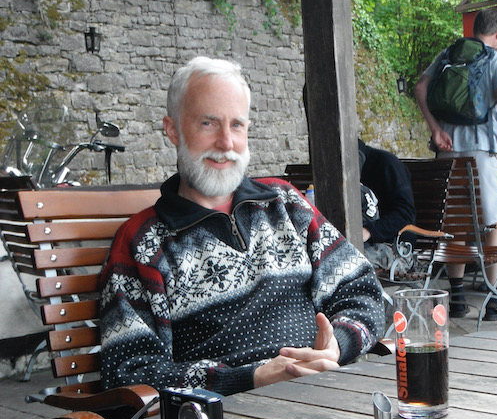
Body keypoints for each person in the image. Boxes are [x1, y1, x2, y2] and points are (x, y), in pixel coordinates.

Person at [100, 56, 385, 397]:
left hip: (327, 390)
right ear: (173, 130)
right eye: (209, 124)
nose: (226, 143)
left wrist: (337, 344)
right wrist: (252, 378)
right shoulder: (144, 243)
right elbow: (130, 372)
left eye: (237, 125)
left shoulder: (286, 204)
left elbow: (365, 293)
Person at [414, 6, 497, 321]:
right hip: (483, 154)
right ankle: (493, 303)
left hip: (447, 153)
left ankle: (459, 298)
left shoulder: (449, 53)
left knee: (454, 225)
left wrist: (435, 129)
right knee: (495, 223)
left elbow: (420, 87)